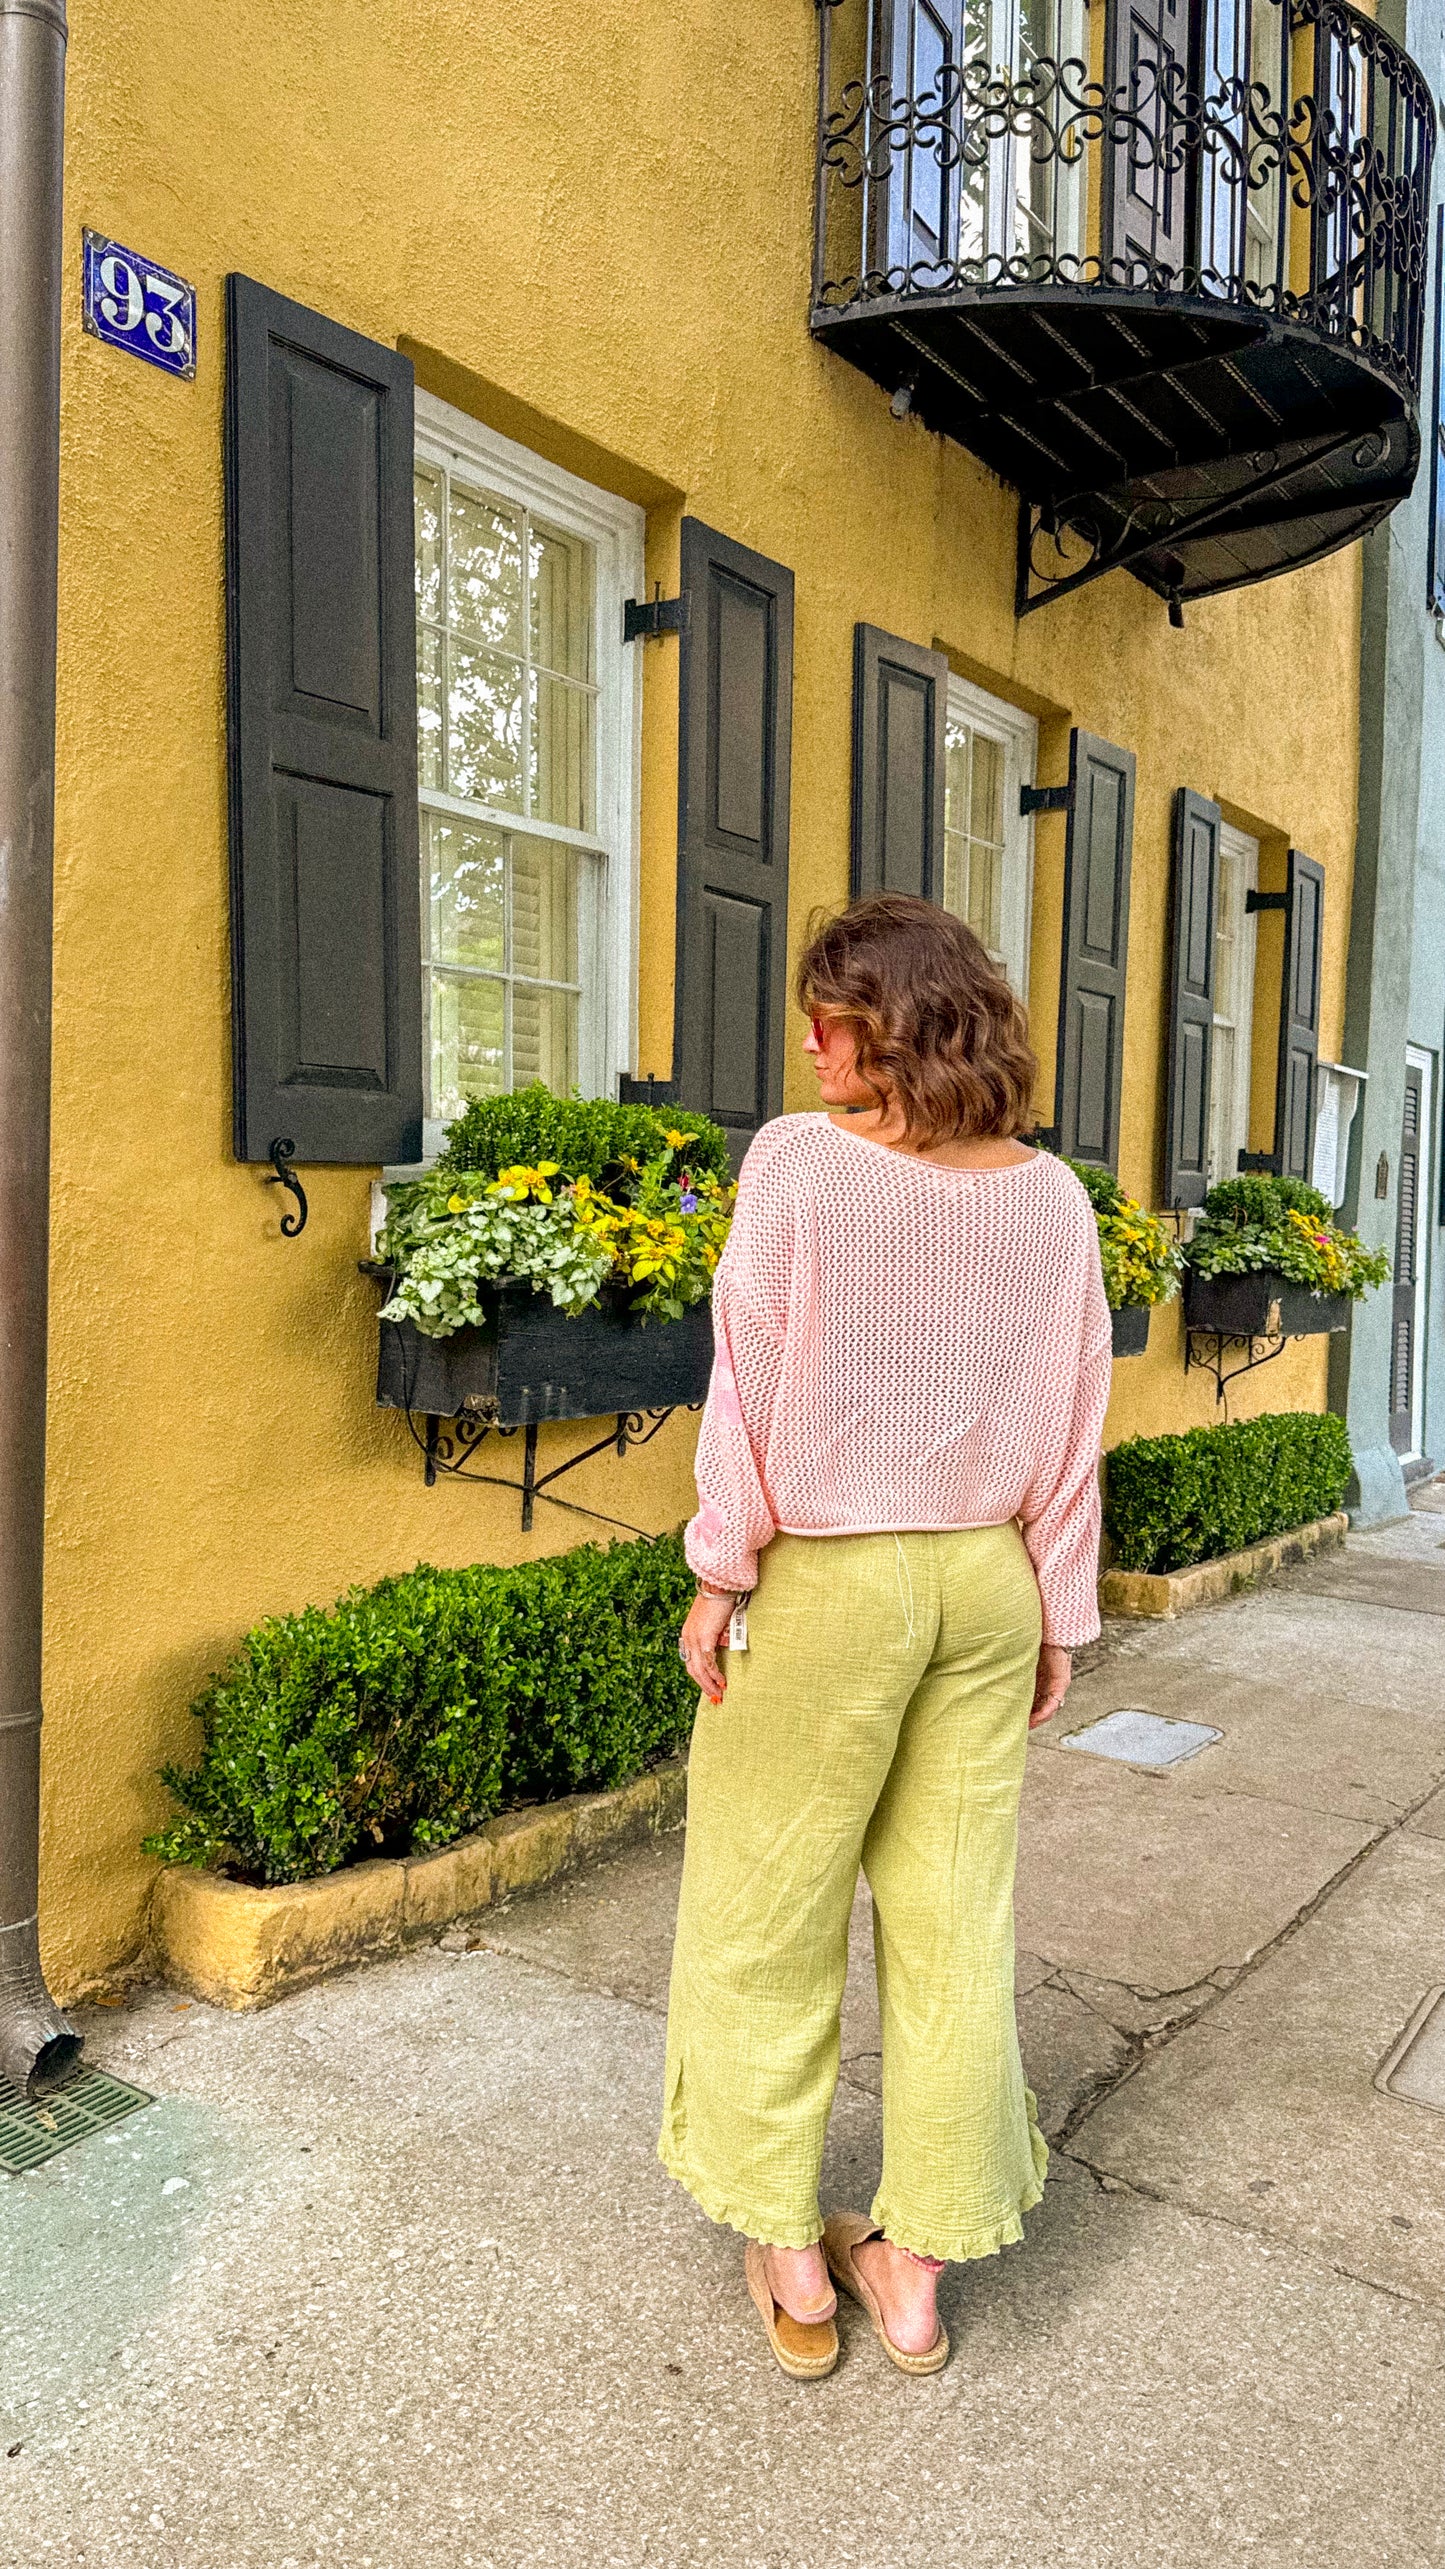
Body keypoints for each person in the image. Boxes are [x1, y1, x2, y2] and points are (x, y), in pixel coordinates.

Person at [659, 892, 1112, 2379]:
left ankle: (789, 2248)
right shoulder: (1051, 1198)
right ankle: (911, 2266)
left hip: (831, 1580)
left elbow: (749, 1382)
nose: (808, 1042)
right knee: (949, 1919)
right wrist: (1056, 1609)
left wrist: (720, 1569)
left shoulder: (797, 1165)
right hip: (983, 1580)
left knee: (762, 1908)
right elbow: (1072, 1424)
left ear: (898, 1021)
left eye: (831, 1015)